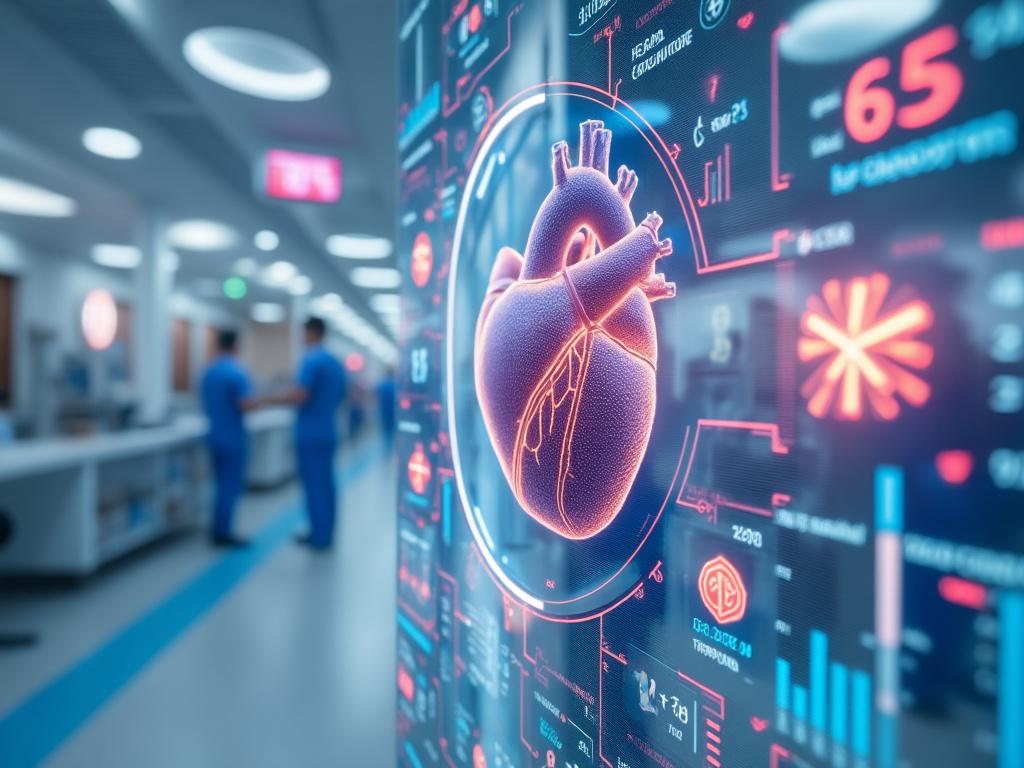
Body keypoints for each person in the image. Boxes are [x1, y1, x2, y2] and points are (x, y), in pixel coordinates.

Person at [275, 317, 346, 550]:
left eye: (303, 332)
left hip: (310, 433)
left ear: (311, 332)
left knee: (314, 485)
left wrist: (268, 400)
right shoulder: (334, 362)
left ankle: (319, 537)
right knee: (326, 484)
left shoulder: (311, 359)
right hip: (327, 430)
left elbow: (300, 395)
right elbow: (341, 395)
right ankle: (326, 532)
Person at [200, 329, 261, 547]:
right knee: (230, 487)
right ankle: (223, 533)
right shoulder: (236, 373)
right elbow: (247, 404)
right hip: (232, 439)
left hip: (214, 436)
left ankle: (217, 528)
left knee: (218, 486)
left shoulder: (209, 372)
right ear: (236, 346)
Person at [376, 366, 396, 449]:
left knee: (386, 434)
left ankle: (386, 450)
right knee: (395, 434)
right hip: (394, 414)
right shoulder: (396, 385)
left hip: (384, 413)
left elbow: (377, 399)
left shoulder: (382, 385)